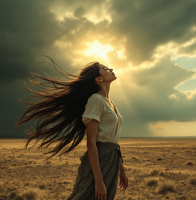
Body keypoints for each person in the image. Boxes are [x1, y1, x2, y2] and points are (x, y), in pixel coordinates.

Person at [13, 55, 128, 200]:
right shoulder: (95, 100)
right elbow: (91, 143)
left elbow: (114, 141)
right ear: (98, 79)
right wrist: (98, 180)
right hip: (99, 161)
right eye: (105, 69)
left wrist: (121, 169)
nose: (110, 69)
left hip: (112, 160)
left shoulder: (110, 102)